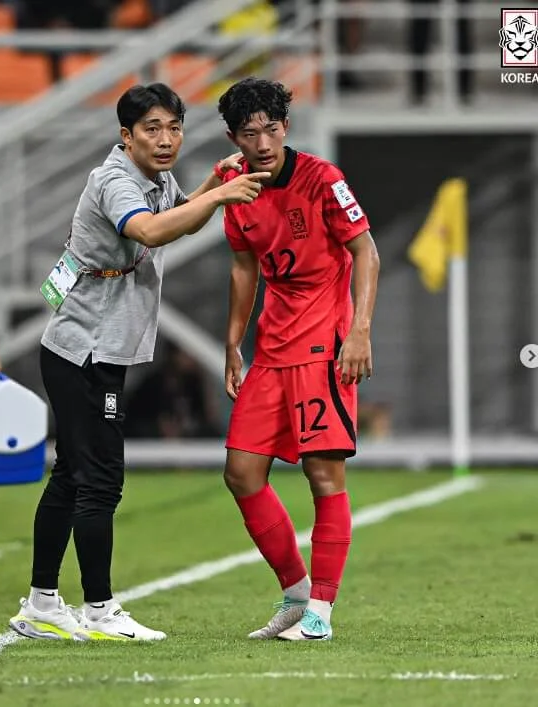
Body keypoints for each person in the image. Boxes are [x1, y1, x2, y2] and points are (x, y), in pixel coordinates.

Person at [8, 82, 269, 642]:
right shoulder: (112, 180)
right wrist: (220, 197)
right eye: (152, 128)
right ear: (125, 136)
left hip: (100, 343)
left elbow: (179, 220)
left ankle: (42, 603)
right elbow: (148, 230)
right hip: (84, 347)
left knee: (73, 474)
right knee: (100, 478)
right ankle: (98, 609)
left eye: (174, 127)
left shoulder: (157, 179)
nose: (166, 138)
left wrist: (208, 186)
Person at [217, 77, 380, 641]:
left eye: (271, 128)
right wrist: (234, 341)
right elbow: (244, 269)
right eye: (248, 133)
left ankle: (322, 613)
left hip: (323, 348)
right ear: (233, 137)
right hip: (271, 348)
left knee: (323, 476)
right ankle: (294, 594)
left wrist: (358, 330)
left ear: (286, 126)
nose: (262, 142)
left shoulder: (322, 179)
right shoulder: (234, 189)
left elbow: (366, 251)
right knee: (240, 472)